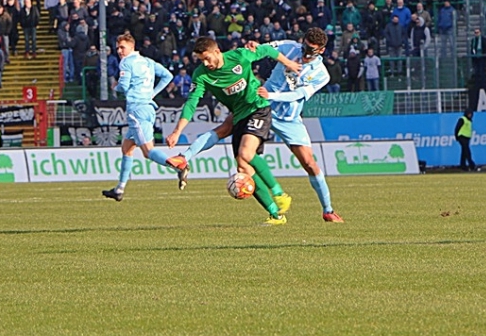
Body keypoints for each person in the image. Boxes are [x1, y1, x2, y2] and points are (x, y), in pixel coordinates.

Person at [166, 29, 344, 223]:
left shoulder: (322, 75)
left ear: (321, 50)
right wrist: (254, 46)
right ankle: (275, 213)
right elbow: (268, 49)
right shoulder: (289, 47)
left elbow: (298, 95)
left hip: (287, 117)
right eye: (304, 46)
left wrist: (272, 95)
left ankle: (328, 209)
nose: (305, 52)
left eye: (310, 50)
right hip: (257, 103)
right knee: (238, 153)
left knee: (309, 162)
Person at [101, 32, 175, 202]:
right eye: (117, 48)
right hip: (148, 108)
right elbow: (167, 76)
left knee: (148, 152)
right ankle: (119, 188)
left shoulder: (126, 62)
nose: (119, 51)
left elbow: (124, 86)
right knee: (127, 148)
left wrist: (116, 86)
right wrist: (152, 93)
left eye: (122, 47)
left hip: (136, 109)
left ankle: (178, 166)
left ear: (131, 47)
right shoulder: (147, 62)